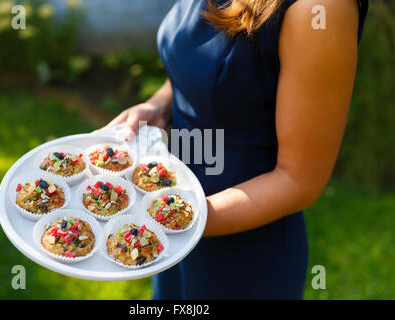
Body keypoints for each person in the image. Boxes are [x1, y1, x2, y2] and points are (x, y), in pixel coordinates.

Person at [105, 0, 368, 299]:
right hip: (172, 223)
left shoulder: (321, 10)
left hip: (242, 253)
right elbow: (199, 57)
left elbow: (299, 181)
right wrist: (158, 105)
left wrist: (172, 219)